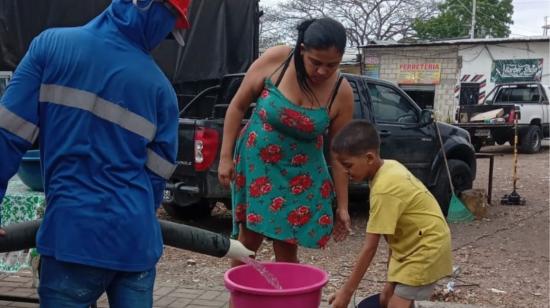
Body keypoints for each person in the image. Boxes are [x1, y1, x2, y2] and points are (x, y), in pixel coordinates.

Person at [0, 1, 252, 307]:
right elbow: (155, 182)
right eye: (168, 24)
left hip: (71, 239)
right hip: (136, 244)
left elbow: (7, 138)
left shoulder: (51, 47)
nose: (163, 38)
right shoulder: (161, 90)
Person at [218, 17, 354, 267]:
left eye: (332, 65)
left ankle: (285, 298)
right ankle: (240, 300)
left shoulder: (341, 92)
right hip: (259, 163)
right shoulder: (277, 59)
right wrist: (225, 157)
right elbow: (237, 106)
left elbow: (338, 154)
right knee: (249, 240)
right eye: (316, 62)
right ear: (302, 50)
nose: (322, 71)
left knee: (287, 245)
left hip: (301, 175)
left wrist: (343, 206)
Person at [328, 120, 453, 308]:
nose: (346, 172)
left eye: (348, 165)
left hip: (425, 250)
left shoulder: (384, 189)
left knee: (395, 304)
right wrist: (391, 280)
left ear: (369, 158)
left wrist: (346, 293)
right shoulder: (388, 167)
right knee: (386, 299)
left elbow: (370, 248)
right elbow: (392, 234)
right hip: (414, 245)